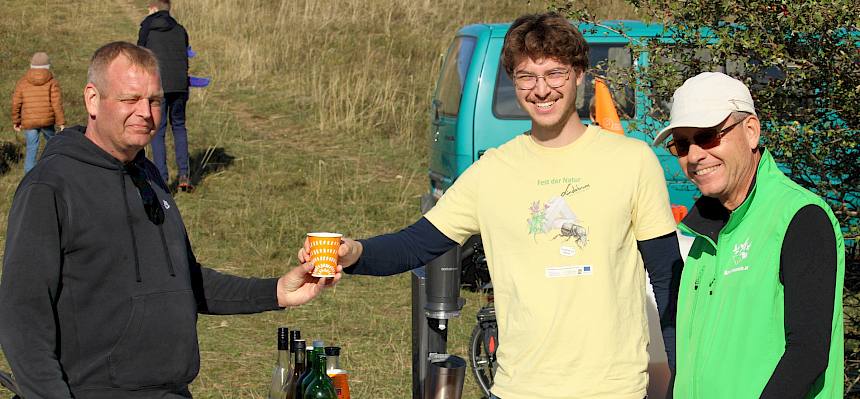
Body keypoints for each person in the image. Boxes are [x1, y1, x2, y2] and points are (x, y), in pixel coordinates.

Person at [301, 13, 682, 399]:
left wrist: (681, 379)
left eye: (554, 74)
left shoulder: (631, 161)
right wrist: (354, 252)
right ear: (513, 81)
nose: (541, 89)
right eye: (526, 76)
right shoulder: (493, 171)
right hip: (519, 389)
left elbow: (667, 278)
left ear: (579, 75)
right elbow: (416, 244)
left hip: (613, 390)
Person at [0, 42, 340, 399]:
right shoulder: (51, 186)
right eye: (130, 99)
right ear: (92, 99)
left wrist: (276, 291)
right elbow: (22, 317)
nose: (145, 113)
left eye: (154, 101)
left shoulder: (148, 176)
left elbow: (184, 279)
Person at [653, 72, 844, 398]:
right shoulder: (702, 238)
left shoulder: (799, 216)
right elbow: (690, 360)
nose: (695, 156)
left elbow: (807, 353)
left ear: (751, 131)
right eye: (682, 145)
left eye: (708, 136)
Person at [138, 0, 193, 191]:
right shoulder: (180, 29)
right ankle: (184, 175)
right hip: (180, 85)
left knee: (157, 131)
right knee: (179, 126)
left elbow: (140, 57)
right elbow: (185, 55)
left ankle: (162, 179)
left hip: (159, 86)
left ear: (153, 8)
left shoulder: (147, 28)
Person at [11, 51, 65, 173]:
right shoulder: (52, 82)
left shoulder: (22, 82)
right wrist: (61, 122)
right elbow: (56, 103)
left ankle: (29, 177)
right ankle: (53, 169)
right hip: (47, 121)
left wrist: (16, 121)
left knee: (31, 148)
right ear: (47, 66)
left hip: (29, 122)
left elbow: (16, 103)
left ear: (31, 65)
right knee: (53, 144)